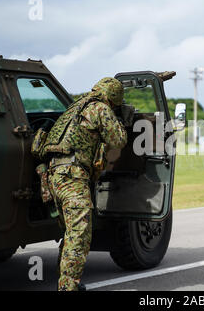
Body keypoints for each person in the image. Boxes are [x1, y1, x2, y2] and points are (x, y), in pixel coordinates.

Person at [41, 77, 128, 291]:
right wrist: (119, 121)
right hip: (72, 175)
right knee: (79, 233)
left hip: (53, 176)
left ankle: (66, 280)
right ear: (113, 97)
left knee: (71, 231)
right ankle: (68, 287)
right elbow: (118, 140)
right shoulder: (100, 108)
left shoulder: (74, 108)